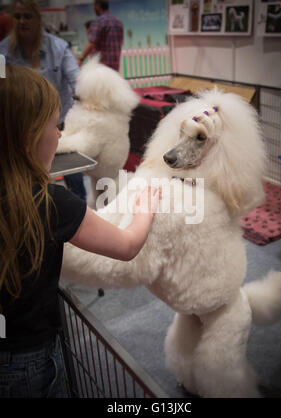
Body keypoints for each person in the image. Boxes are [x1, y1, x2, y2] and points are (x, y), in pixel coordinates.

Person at [0, 64, 160, 398]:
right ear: (28, 134)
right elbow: (128, 245)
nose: (58, 133)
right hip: (29, 355)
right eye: (51, 124)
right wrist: (145, 207)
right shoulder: (52, 203)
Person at [0, 0, 86, 201]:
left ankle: (80, 206)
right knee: (27, 184)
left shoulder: (59, 48)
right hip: (21, 130)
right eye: (17, 16)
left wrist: (88, 101)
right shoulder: (2, 52)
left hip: (60, 123)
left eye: (27, 16)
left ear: (39, 18)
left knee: (73, 174)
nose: (22, 21)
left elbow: (77, 81)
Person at [78, 0, 123, 71]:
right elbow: (121, 43)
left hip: (100, 68)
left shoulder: (99, 21)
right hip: (114, 69)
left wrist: (81, 59)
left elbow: (91, 43)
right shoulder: (118, 22)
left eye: (94, 5)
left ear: (98, 5)